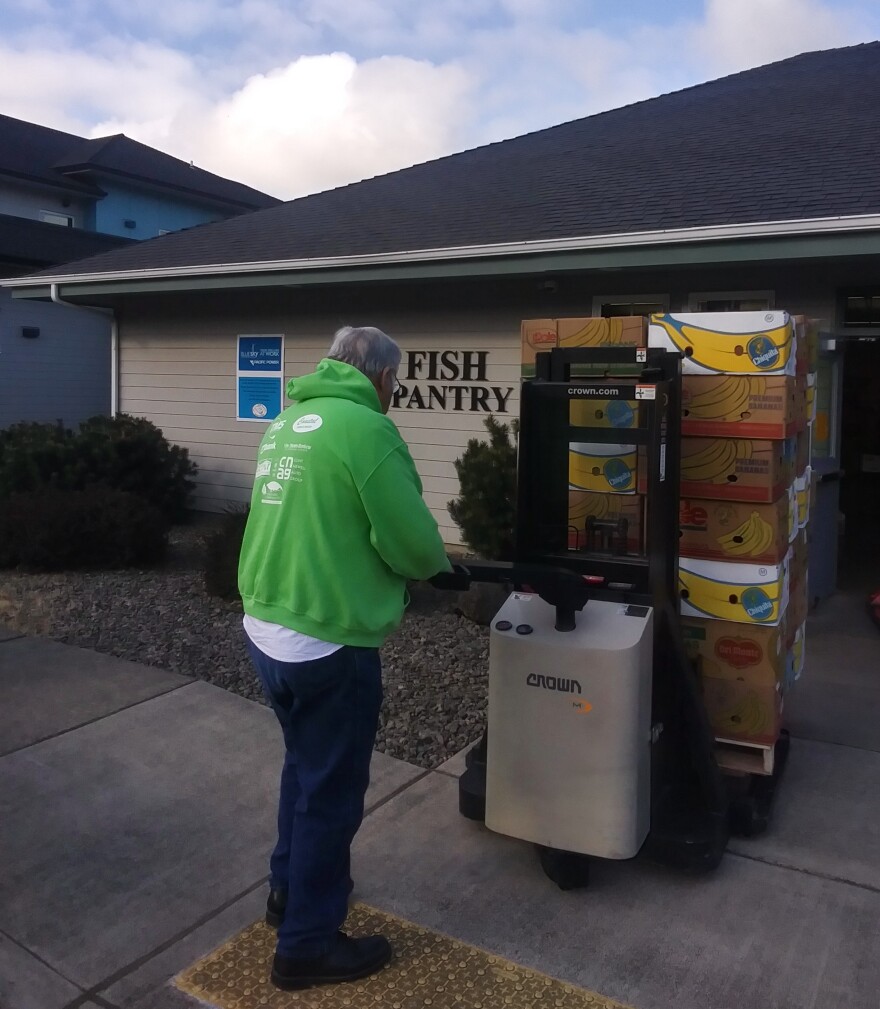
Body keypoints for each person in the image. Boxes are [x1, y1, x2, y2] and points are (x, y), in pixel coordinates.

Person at [238, 325, 451, 991]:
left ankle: (286, 894)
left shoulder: (289, 421)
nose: (394, 395)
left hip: (267, 624)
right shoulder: (366, 430)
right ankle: (306, 946)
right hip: (327, 638)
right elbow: (411, 542)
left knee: (304, 771)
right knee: (331, 794)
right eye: (397, 385)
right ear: (383, 378)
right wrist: (438, 570)